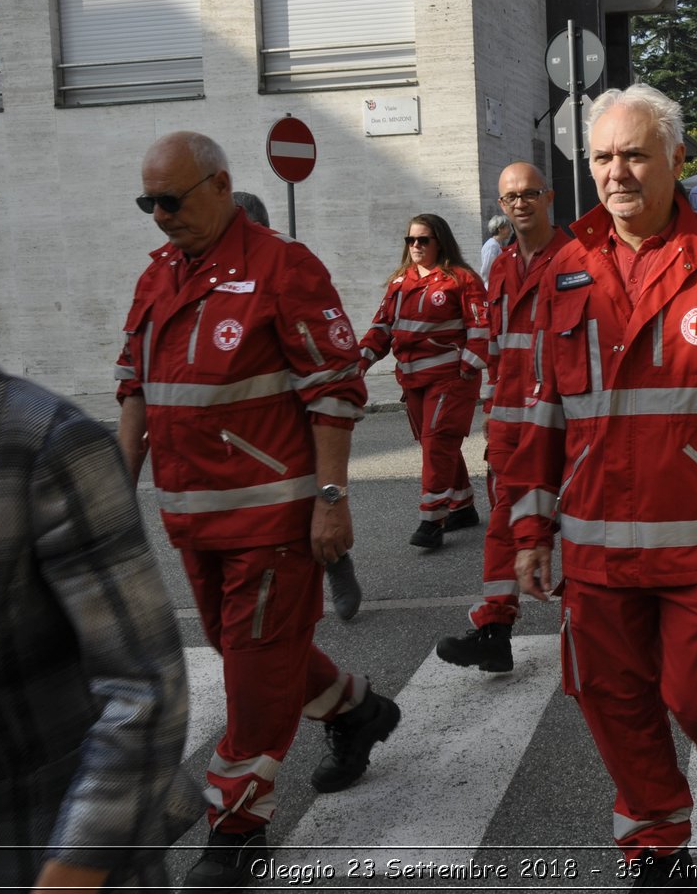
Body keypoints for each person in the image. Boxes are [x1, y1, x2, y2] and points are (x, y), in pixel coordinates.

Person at [500, 84, 697, 884]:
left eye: (635, 154)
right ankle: (656, 844)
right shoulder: (563, 268)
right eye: (603, 156)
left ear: (676, 158)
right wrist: (528, 528)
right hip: (596, 547)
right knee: (613, 702)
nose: (617, 172)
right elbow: (534, 412)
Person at [116, 131, 400, 889]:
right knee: (254, 654)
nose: (159, 216)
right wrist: (118, 491)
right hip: (193, 520)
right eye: (148, 202)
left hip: (273, 521)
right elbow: (134, 391)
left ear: (218, 184)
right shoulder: (158, 277)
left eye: (171, 200)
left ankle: (238, 826)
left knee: (249, 672)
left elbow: (336, 388)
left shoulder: (283, 267)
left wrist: (331, 498)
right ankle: (354, 710)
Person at [0, 333, 198, 892]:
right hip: (193, 514)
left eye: (423, 236)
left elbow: (146, 691)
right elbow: (134, 379)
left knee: (259, 651)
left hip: (27, 853)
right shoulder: (160, 283)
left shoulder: (40, 443)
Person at [436, 164, 570, 673]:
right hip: (512, 422)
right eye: (510, 196)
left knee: (576, 525)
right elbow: (496, 348)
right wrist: (491, 413)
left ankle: (598, 629)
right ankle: (494, 629)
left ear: (548, 197)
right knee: (502, 522)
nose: (519, 203)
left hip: (564, 422)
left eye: (529, 193)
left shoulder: (577, 260)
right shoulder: (502, 265)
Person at [232, 192, 361, 620]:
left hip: (292, 420)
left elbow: (329, 366)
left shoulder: (288, 272)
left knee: (308, 504)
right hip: (241, 433)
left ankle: (336, 566)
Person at [358, 214, 490, 549]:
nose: (415, 246)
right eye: (410, 240)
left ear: (439, 242)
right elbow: (381, 328)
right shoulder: (400, 283)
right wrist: (358, 362)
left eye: (423, 240)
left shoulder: (461, 279)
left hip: (451, 378)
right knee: (435, 444)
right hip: (413, 379)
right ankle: (461, 505)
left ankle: (432, 520)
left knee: (436, 442)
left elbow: (481, 326)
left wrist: (469, 364)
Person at [479, 215, 513, 282]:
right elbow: (486, 270)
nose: (510, 230)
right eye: (508, 227)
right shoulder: (492, 246)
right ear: (500, 229)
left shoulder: (496, 244)